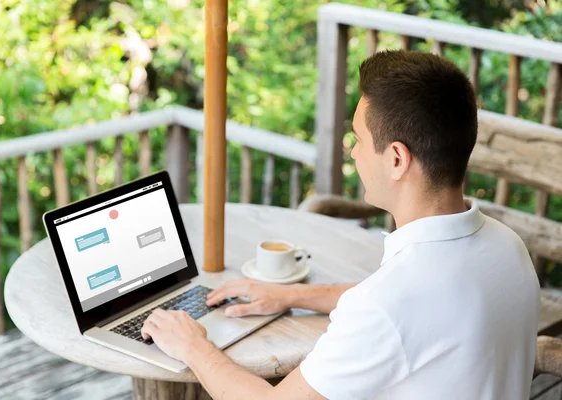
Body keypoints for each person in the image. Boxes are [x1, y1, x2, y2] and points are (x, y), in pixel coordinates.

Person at [141, 50, 540, 399]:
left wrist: (193, 345)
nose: (353, 152)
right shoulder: (507, 247)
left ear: (397, 159)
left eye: (359, 139)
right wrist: (291, 296)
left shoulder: (392, 301)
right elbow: (414, 308)